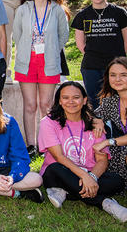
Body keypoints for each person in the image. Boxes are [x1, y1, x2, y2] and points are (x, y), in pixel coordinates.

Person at [38, 81, 127, 222]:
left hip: (88, 173)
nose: (71, 102)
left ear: (85, 100)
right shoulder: (49, 122)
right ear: (59, 101)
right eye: (65, 97)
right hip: (61, 171)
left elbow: (102, 160)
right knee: (54, 169)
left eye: (76, 97)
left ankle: (67, 191)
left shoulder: (95, 125)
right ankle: (106, 203)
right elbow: (58, 156)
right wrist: (84, 177)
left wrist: (92, 177)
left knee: (117, 181)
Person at [13, 0, 70, 155]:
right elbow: (18, 34)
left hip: (49, 62)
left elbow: (63, 35)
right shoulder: (23, 9)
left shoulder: (57, 9)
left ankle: (47, 144)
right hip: (27, 62)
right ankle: (31, 145)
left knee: (46, 105)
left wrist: (51, 48)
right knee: (30, 105)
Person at [72, 0, 127, 110]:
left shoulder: (119, 13)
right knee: (96, 106)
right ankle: (99, 130)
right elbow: (80, 43)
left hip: (116, 66)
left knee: (118, 104)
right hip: (91, 67)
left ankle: (119, 131)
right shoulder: (82, 15)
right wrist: (94, 55)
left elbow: (126, 40)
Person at [92, 57, 127, 190]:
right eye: (113, 75)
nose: (117, 79)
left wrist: (107, 142)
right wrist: (98, 119)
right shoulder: (111, 101)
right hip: (120, 154)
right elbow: (91, 114)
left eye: (123, 75)